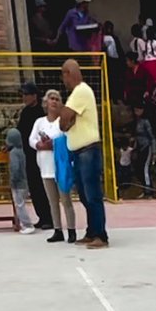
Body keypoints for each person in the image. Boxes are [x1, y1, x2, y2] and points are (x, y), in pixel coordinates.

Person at [59, 58, 108, 248]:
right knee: (85, 195)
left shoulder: (80, 91)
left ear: (68, 73)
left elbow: (63, 119)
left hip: (88, 150)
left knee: (92, 194)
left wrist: (67, 119)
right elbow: (64, 123)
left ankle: (101, 235)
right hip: (80, 152)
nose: (64, 81)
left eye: (64, 75)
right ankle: (92, 231)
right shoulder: (77, 94)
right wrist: (67, 120)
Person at [30, 89, 76, 242]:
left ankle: (71, 230)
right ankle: (57, 229)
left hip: (60, 167)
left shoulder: (61, 122)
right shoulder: (39, 122)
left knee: (66, 200)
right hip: (45, 168)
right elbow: (31, 139)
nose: (54, 101)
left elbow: (68, 139)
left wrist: (54, 144)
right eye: (51, 99)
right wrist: (39, 144)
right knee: (52, 201)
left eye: (57, 99)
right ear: (46, 102)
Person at [17, 82, 50, 229]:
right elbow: (20, 132)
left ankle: (49, 217)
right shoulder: (25, 113)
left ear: (34, 96)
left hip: (40, 153)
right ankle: (41, 217)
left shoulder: (40, 113)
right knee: (34, 187)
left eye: (26, 94)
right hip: (27, 155)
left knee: (43, 186)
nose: (24, 97)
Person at [4, 128, 35, 234]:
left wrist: (13, 180)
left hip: (18, 184)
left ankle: (27, 225)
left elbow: (15, 167)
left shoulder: (13, 153)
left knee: (19, 205)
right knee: (21, 204)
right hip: (24, 182)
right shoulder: (21, 151)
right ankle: (25, 224)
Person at [132, 98, 156, 196]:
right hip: (140, 147)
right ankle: (144, 186)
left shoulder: (146, 122)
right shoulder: (136, 121)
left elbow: (152, 137)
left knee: (145, 167)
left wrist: (154, 152)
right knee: (139, 167)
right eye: (135, 110)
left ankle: (148, 188)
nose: (136, 112)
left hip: (147, 146)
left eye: (138, 110)